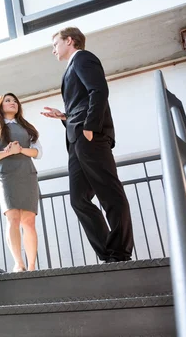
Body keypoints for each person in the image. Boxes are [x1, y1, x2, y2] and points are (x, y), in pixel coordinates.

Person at [41, 26, 134, 263]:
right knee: (78, 199)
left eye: (55, 44)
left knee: (109, 192)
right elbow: (83, 100)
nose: (53, 50)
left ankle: (120, 251)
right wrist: (64, 116)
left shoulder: (82, 58)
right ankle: (108, 252)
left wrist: (91, 126)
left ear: (69, 41)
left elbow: (98, 90)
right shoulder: (72, 66)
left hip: (89, 135)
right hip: (76, 137)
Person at [0, 93, 42, 272]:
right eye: (8, 101)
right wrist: (8, 152)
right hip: (6, 175)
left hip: (27, 173)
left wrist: (20, 150)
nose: (13, 103)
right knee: (13, 218)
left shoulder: (28, 128)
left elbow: (38, 152)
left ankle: (32, 265)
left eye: (15, 101)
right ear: (0, 106)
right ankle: (19, 263)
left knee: (29, 220)